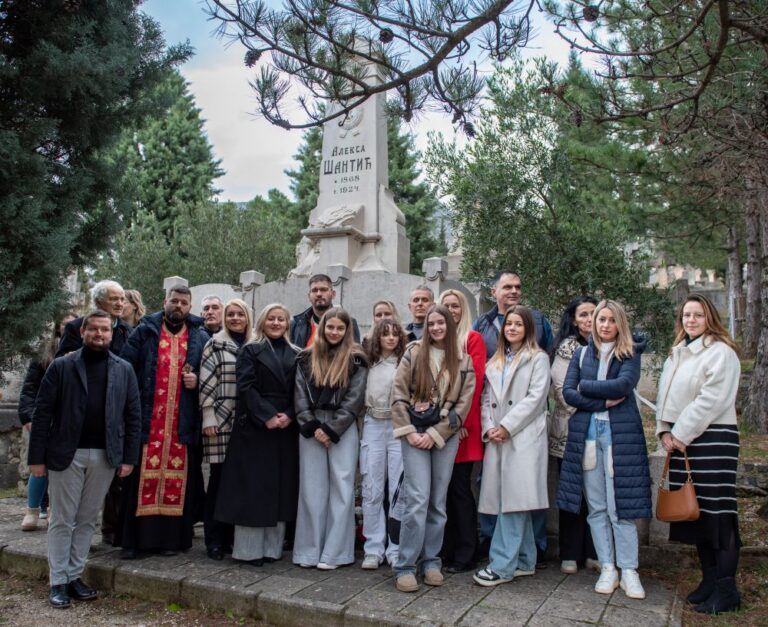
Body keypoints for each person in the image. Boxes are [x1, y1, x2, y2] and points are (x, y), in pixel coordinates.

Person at [28, 310, 141, 608]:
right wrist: (36, 459)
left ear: (111, 333)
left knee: (87, 519)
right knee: (63, 519)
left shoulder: (124, 369)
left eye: (105, 330)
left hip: (105, 455)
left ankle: (75, 575)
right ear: (83, 332)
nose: (100, 335)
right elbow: (42, 415)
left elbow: (133, 416)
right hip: (67, 453)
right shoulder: (62, 367)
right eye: (94, 330)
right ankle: (58, 581)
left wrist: (128, 457)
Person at [556, 299, 651, 600]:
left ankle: (629, 570)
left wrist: (587, 387)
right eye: (601, 320)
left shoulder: (630, 352)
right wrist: (597, 398)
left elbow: (623, 386)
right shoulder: (582, 353)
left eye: (611, 320)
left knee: (620, 507)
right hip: (588, 436)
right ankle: (608, 566)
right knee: (596, 506)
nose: (605, 325)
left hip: (620, 436)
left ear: (619, 323)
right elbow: (569, 393)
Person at [656, 294, 742, 614]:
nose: (690, 320)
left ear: (710, 318)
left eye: (697, 315)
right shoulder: (677, 354)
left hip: (713, 440)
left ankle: (726, 588)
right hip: (682, 442)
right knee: (697, 513)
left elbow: (711, 400)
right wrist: (664, 431)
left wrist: (679, 433)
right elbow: (666, 398)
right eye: (686, 315)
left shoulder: (721, 353)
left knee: (718, 515)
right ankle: (709, 581)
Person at [116, 285, 208, 558]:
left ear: (190, 307)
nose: (178, 306)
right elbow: (124, 366)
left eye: (183, 302)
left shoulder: (199, 336)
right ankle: (136, 541)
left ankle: (171, 541)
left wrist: (198, 380)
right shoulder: (145, 331)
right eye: (174, 300)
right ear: (165, 301)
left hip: (182, 423)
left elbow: (211, 373)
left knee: (178, 480)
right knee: (139, 479)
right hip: (149, 419)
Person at [391, 304, 475, 593]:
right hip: (413, 433)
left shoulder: (464, 361)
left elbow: (463, 404)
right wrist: (411, 433)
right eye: (432, 323)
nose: (437, 328)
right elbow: (399, 393)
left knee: (437, 501)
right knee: (416, 499)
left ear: (450, 326)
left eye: (442, 323)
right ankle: (405, 565)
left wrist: (436, 434)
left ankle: (431, 561)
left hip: (444, 436)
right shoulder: (413, 353)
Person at [473, 271, 553, 565]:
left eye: (520, 324)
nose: (513, 328)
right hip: (496, 437)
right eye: (510, 324)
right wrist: (489, 427)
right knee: (504, 500)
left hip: (522, 436)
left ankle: (502, 564)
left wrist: (506, 426)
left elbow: (535, 398)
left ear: (529, 328)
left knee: (516, 503)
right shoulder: (495, 358)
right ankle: (524, 560)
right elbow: (485, 397)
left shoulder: (538, 358)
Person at [215, 304, 300, 566]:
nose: (276, 323)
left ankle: (272, 549)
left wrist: (289, 414)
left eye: (281, 319)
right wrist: (267, 416)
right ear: (262, 322)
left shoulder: (297, 354)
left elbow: (300, 390)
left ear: (287, 324)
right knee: (253, 491)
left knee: (278, 490)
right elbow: (246, 387)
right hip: (255, 427)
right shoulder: (250, 350)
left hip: (285, 428)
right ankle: (249, 550)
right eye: (271, 319)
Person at [293, 307, 367, 569]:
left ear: (347, 331)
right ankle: (308, 551)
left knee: (342, 487)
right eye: (330, 327)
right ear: (322, 328)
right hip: (311, 427)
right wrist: (314, 427)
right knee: (312, 489)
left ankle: (336, 553)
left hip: (342, 428)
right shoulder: (305, 358)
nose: (334, 332)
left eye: (340, 328)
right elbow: (300, 398)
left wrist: (332, 429)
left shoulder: (357, 360)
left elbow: (354, 401)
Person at [198, 298, 254, 560]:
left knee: (239, 482)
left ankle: (232, 537)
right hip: (221, 419)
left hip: (247, 423)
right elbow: (207, 380)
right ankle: (214, 539)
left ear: (247, 318)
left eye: (239, 314)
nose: (234, 319)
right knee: (218, 482)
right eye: (230, 314)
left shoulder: (254, 344)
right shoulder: (215, 343)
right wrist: (208, 415)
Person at [549, 296, 599, 575]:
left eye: (594, 313)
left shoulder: (608, 347)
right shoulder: (568, 347)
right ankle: (569, 553)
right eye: (583, 314)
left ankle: (593, 552)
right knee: (571, 494)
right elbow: (562, 389)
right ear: (574, 319)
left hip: (598, 430)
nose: (589, 319)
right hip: (570, 429)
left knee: (596, 493)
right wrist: (593, 406)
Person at [437, 289, 486, 573]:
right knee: (441, 491)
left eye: (456, 306)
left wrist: (461, 423)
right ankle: (445, 549)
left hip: (463, 427)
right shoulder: (438, 340)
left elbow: (475, 385)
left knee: (460, 490)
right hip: (439, 426)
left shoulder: (472, 339)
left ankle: (467, 553)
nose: (452, 310)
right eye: (446, 306)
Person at [18, 312, 76, 531]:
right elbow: (30, 388)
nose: (68, 328)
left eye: (73, 324)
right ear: (58, 327)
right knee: (39, 467)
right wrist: (28, 416)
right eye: (65, 324)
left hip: (68, 420)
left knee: (62, 469)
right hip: (44, 418)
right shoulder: (44, 354)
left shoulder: (83, 352)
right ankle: (32, 511)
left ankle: (55, 511)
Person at [360, 318, 408, 570]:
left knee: (398, 491)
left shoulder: (404, 362)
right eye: (385, 334)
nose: (390, 338)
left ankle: (396, 547)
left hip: (398, 426)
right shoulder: (369, 363)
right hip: (373, 424)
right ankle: (373, 547)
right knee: (372, 488)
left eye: (395, 334)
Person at [57, 280, 132, 357]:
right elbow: (61, 361)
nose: (119, 304)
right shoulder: (75, 327)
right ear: (98, 301)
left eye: (122, 299)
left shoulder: (128, 330)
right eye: (114, 299)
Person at [290, 274, 360, 347]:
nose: (319, 294)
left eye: (323, 290)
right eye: (314, 290)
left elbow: (354, 354)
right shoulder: (296, 325)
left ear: (333, 294)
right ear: (309, 296)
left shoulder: (349, 323)